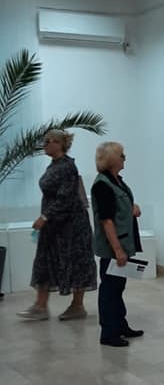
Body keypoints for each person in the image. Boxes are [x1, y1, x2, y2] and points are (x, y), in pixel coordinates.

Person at [17, 130, 96, 321]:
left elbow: (65, 198)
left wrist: (45, 217)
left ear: (60, 144)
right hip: (54, 225)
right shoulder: (54, 165)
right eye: (45, 141)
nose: (45, 144)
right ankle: (40, 306)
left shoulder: (68, 167)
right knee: (44, 261)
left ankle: (77, 306)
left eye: (49, 141)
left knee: (76, 262)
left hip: (72, 226)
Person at [91, 141, 144, 347]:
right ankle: (108, 333)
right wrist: (118, 250)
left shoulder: (116, 181)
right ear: (112, 159)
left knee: (118, 287)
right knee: (109, 290)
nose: (124, 158)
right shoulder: (102, 185)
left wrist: (132, 207)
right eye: (121, 155)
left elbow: (119, 207)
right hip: (113, 247)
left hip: (123, 241)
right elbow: (106, 220)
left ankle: (120, 325)